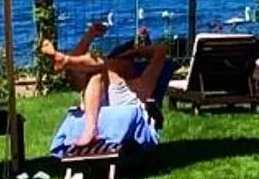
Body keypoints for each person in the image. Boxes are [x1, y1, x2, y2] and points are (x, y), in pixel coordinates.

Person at [42, 20, 170, 150]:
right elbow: (75, 71)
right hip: (99, 118)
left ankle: (65, 60)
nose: (121, 63)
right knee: (96, 71)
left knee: (100, 67)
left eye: (122, 61)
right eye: (118, 61)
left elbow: (162, 49)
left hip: (124, 121)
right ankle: (66, 61)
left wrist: (132, 52)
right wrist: (89, 35)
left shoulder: (142, 83)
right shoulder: (98, 82)